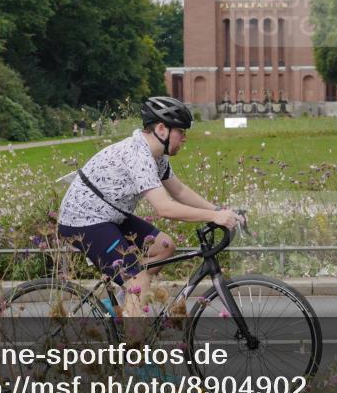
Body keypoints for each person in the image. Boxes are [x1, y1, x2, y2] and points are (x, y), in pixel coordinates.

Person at [56, 96, 244, 341]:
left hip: (111, 214)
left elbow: (179, 191)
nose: (184, 138)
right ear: (162, 129)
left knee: (165, 246)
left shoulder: (158, 157)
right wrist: (215, 216)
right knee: (138, 280)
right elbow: (165, 208)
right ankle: (135, 354)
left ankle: (124, 303)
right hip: (84, 220)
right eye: (181, 132)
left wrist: (219, 210)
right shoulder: (139, 155)